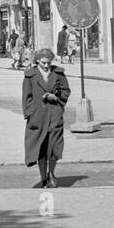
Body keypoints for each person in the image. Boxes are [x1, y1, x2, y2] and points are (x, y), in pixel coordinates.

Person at [23, 46, 71, 188]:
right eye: (43, 63)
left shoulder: (59, 73)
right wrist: (29, 114)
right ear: (37, 61)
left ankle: (52, 174)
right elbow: (26, 97)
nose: (46, 65)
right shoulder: (30, 75)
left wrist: (56, 98)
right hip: (37, 116)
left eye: (48, 62)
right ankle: (43, 176)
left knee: (54, 146)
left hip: (55, 114)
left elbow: (66, 90)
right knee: (40, 147)